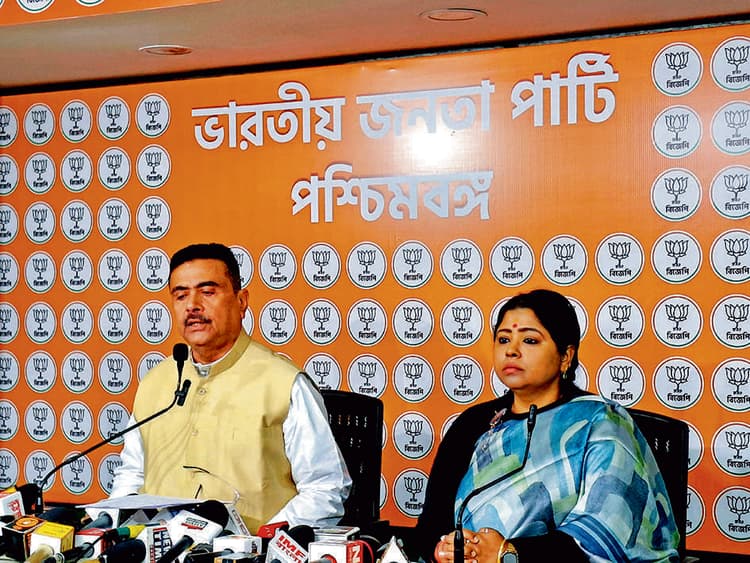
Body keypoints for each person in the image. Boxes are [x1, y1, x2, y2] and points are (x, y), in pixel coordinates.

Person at [413, 289, 679, 563]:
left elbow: (608, 533)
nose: (511, 350)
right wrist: (442, 550)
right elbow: (430, 526)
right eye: (503, 339)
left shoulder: (601, 423)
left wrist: (508, 554)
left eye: (529, 340)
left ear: (566, 356)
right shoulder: (473, 423)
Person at [111, 243, 351, 532]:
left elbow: (324, 488)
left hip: (252, 549)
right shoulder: (155, 383)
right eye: (181, 295)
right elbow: (132, 475)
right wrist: (113, 529)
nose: (192, 306)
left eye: (207, 292)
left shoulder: (283, 383)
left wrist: (264, 540)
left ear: (241, 301)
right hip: (161, 546)